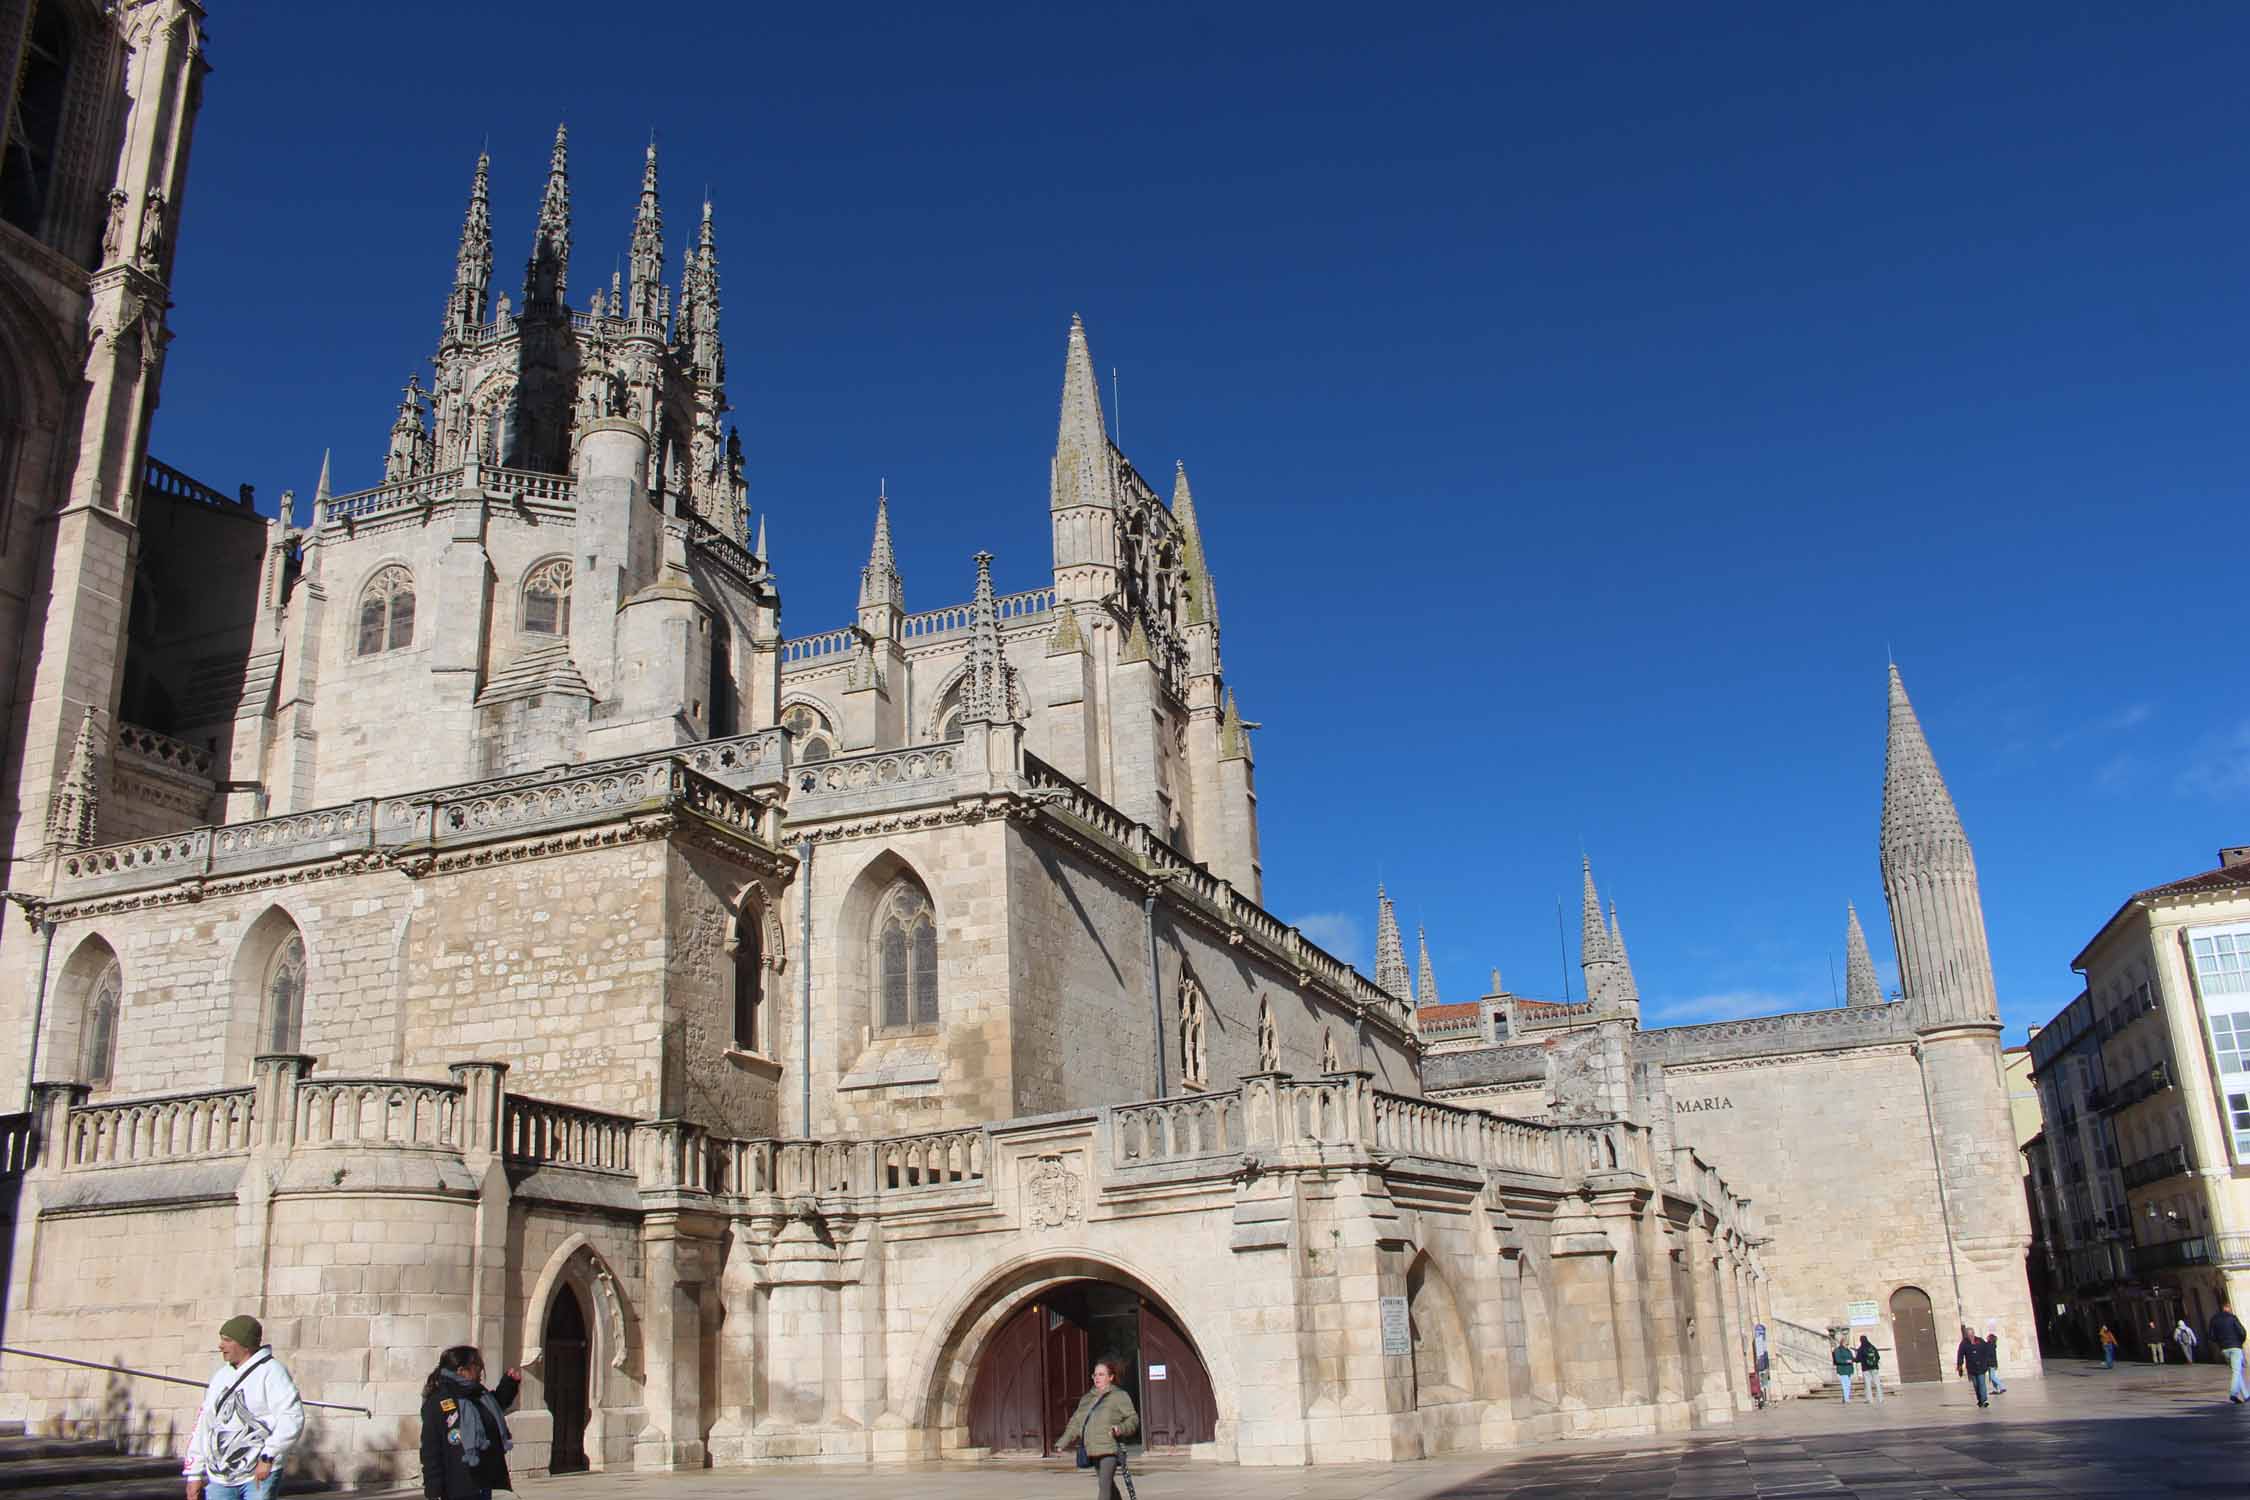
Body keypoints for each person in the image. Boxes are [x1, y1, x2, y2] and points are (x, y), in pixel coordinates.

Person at [183, 1315, 304, 1500]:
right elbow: (205, 1422)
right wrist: (194, 1473)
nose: (220, 1346)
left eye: (227, 1340)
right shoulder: (221, 1377)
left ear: (245, 1344)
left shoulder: (272, 1372)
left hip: (258, 1473)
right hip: (220, 1477)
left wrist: (269, 1455)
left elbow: (291, 1416)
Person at [418, 1345, 521, 1500]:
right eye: (477, 1365)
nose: (481, 1370)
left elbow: (493, 1409)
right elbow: (431, 1451)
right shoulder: (438, 1402)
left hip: (482, 1482)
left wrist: (509, 1384)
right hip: (456, 1487)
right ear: (461, 1370)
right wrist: (434, 1489)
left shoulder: (479, 1395)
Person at [1056, 1357, 1140, 1500]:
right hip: (1092, 1449)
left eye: (1101, 1374)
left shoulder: (1119, 1396)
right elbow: (1076, 1422)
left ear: (1111, 1377)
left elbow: (1133, 1419)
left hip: (1110, 1449)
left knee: (1104, 1484)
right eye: (1095, 1374)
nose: (1097, 1378)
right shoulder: (1087, 1399)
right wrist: (1062, 1442)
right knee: (1108, 1486)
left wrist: (1120, 1428)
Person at [2208, 1299, 2248, 1403]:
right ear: (2226, 1308)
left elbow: (2211, 1336)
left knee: (2236, 1371)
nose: (2231, 1310)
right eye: (2230, 1308)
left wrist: (2220, 1343)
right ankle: (2233, 1393)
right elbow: (2242, 1332)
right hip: (2235, 1347)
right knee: (2236, 1371)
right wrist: (2240, 1342)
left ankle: (2246, 1395)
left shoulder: (2214, 1319)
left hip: (2224, 1349)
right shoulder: (2232, 1318)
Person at [1955, 1325, 1992, 1408]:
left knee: (1982, 1383)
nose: (1971, 1336)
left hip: (1981, 1367)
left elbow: (1986, 1351)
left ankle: (1984, 1400)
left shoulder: (1980, 1341)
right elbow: (1960, 1354)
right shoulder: (1964, 1343)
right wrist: (1959, 1366)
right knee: (1976, 1385)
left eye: (1972, 1334)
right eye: (1969, 1335)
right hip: (1972, 1368)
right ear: (1966, 1335)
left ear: (1974, 1333)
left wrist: (1987, 1362)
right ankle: (1980, 1400)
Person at [1855, 1334, 1885, 1405]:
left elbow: (1858, 1359)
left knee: (1868, 1384)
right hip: (1874, 1368)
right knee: (1877, 1384)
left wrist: (1854, 1359)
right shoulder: (1872, 1347)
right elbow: (1878, 1357)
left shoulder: (1861, 1348)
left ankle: (1869, 1399)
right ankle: (1881, 1399)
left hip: (1866, 1369)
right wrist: (1874, 1363)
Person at [1831, 1338, 1856, 1402]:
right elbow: (1838, 1360)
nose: (1847, 1345)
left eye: (1847, 1344)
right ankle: (1846, 1399)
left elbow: (1852, 1358)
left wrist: (1855, 1359)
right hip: (1842, 1369)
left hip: (1849, 1370)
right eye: (1846, 1344)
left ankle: (1845, 1398)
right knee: (1845, 1384)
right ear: (1842, 1343)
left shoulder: (1848, 1350)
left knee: (1848, 1385)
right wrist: (1846, 1361)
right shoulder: (1837, 1350)